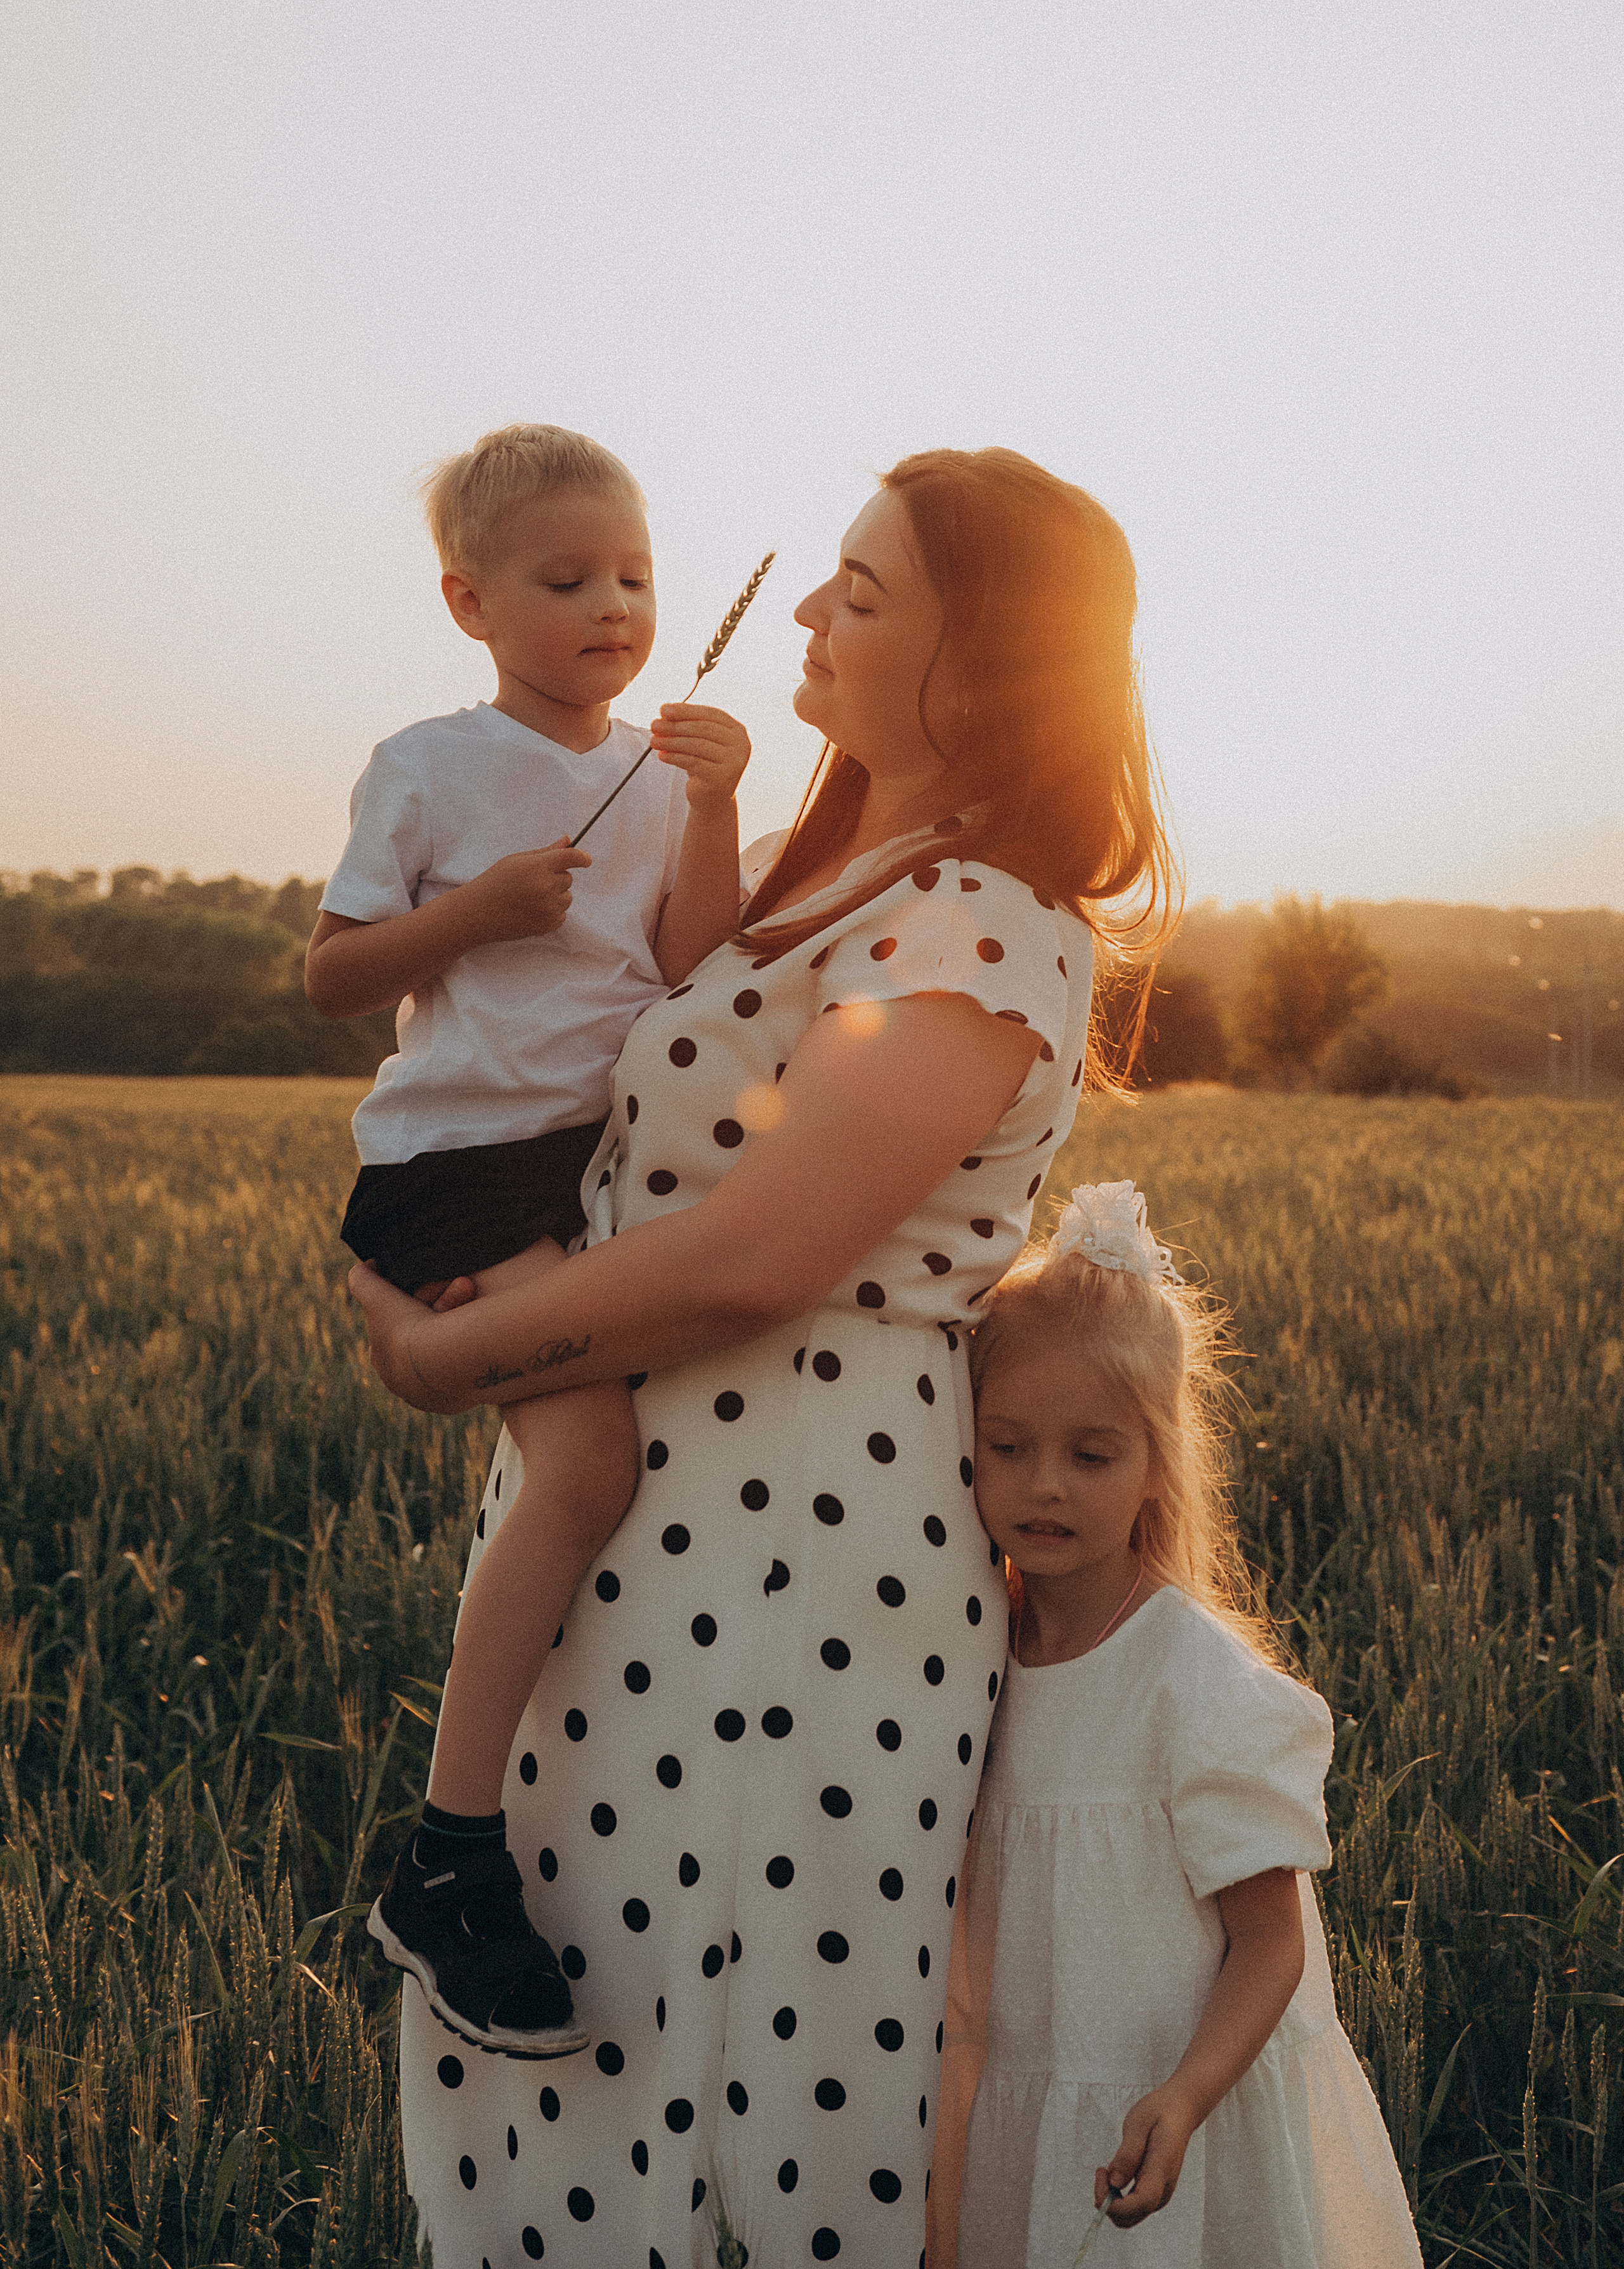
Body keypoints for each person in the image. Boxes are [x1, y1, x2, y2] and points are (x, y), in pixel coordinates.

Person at [349, 446, 1174, 2266]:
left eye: (863, 595)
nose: (804, 608)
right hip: (659, 1547)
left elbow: (757, 1257)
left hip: (797, 1563)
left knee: (746, 2058)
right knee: (593, 2020)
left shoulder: (984, 922)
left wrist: (450, 1358)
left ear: (988, 668)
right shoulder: (843, 878)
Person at [307, 423, 750, 2056]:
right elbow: (335, 978)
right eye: (566, 580)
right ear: (468, 603)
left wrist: (711, 807)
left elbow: (690, 959)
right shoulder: (430, 763)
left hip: (593, 1168)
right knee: (582, 1470)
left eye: (633, 574)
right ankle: (449, 1854)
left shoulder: (654, 769)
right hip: (463, 1168)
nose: (612, 605)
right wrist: (470, 917)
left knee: (669, 1416)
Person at [926, 1180, 1423, 2268]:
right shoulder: (969, 1658)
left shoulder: (1193, 1683)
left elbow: (1270, 1940)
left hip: (1182, 2103)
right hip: (1036, 2098)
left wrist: (1186, 2094)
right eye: (1006, 1445)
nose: (1042, 1485)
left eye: (1091, 1455)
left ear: (1156, 1463)